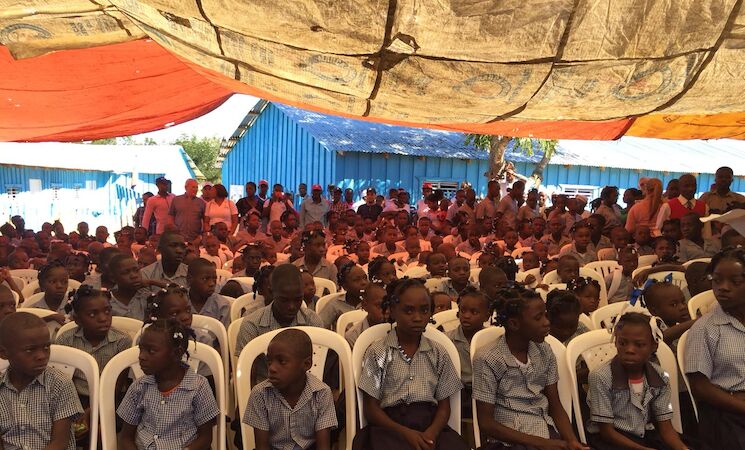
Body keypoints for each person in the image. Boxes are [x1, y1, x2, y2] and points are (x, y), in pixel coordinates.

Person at [353, 278, 468, 450]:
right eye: (408, 310)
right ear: (393, 311)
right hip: (389, 427)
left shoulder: (439, 352)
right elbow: (371, 409)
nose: (417, 317)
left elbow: (444, 407)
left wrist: (431, 434)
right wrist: (406, 433)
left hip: (430, 425)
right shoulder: (377, 352)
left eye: (424, 310)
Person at [472, 288, 587, 450]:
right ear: (514, 324)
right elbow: (486, 423)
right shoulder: (488, 358)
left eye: (545, 315)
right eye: (538, 318)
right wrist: (542, 444)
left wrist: (572, 441)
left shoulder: (545, 350)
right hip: (509, 441)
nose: (546, 322)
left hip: (545, 430)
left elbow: (555, 405)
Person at [586, 312, 688, 450]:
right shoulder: (601, 377)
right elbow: (606, 432)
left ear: (654, 346)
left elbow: (665, 427)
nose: (629, 350)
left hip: (645, 435)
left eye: (639, 345)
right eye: (623, 343)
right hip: (612, 440)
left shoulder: (660, 377)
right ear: (615, 342)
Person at [117, 319, 219, 450]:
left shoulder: (199, 386)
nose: (141, 356)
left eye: (151, 351)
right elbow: (125, 437)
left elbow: (205, 438)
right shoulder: (139, 387)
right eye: (141, 349)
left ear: (176, 353)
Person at [684, 248, 745, 449]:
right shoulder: (705, 328)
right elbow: (700, 387)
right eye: (717, 280)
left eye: (735, 282)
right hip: (726, 412)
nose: (723, 288)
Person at [56, 285, 132, 439]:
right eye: (92, 314)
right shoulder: (66, 339)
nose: (103, 318)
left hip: (109, 398)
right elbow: (63, 382)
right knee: (67, 427)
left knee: (102, 432)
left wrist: (92, 411)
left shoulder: (122, 341)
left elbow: (116, 386)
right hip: (76, 397)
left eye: (107, 311)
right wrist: (77, 409)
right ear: (77, 319)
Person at [0, 312, 84, 450]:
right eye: (30, 350)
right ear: (3, 353)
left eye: (46, 347)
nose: (41, 356)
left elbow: (60, 444)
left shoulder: (60, 384)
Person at [244, 329, 337, 450]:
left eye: (281, 361)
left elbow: (323, 447)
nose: (272, 368)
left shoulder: (321, 393)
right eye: (269, 362)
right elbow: (262, 447)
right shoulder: (260, 394)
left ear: (306, 364)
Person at [234, 264, 323, 359]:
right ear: (271, 293)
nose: (291, 307)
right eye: (284, 300)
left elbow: (319, 361)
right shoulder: (252, 325)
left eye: (297, 299)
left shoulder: (313, 321)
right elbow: (246, 365)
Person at [445, 287, 491, 419]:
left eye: (474, 312)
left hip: (488, 393)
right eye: (463, 310)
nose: (466, 316)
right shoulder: (447, 340)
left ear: (486, 316)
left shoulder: (492, 339)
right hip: (460, 394)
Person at [319, 262, 367, 329]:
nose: (364, 282)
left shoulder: (372, 302)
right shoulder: (334, 304)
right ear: (345, 286)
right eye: (357, 280)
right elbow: (320, 327)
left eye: (365, 278)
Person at [187, 258, 231, 328]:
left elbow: (222, 333)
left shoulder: (222, 305)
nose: (212, 283)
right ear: (190, 279)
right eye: (205, 279)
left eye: (214, 278)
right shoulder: (179, 301)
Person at [345, 282, 387, 348]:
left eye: (389, 305)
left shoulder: (396, 328)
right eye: (379, 305)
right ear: (365, 305)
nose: (386, 310)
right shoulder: (353, 336)